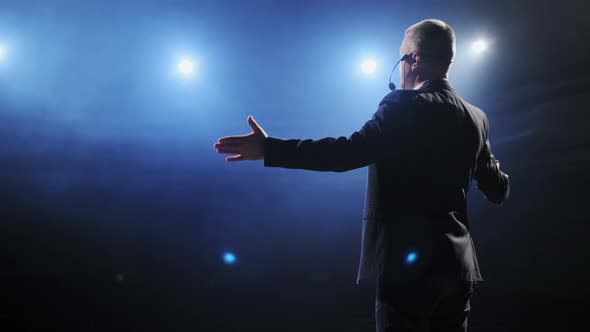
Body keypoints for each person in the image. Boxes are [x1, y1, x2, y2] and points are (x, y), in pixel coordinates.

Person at [214, 18, 509, 332]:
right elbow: (498, 189)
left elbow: (344, 153)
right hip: (458, 269)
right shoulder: (477, 118)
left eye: (401, 58)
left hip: (408, 270)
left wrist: (270, 149)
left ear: (414, 59)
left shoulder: (402, 106)